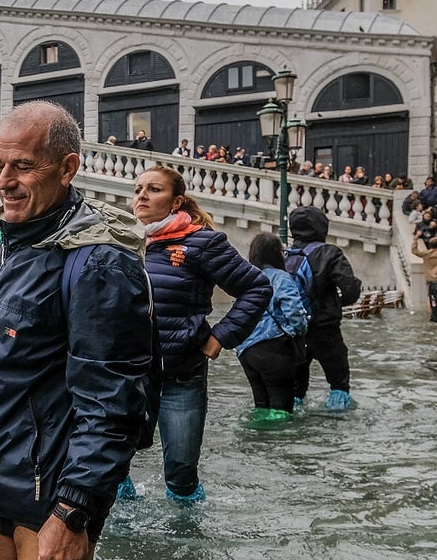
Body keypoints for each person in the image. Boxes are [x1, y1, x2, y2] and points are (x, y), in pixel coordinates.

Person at [0, 101, 155, 560]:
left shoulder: (97, 262)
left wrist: (75, 508)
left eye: (22, 166)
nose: (5, 181)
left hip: (50, 488)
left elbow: (114, 398)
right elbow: (9, 349)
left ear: (67, 168)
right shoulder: (11, 241)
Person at [129, 165, 271, 502]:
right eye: (138, 189)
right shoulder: (122, 241)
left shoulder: (202, 243)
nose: (142, 196)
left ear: (176, 202)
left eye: (153, 189)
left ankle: (186, 540)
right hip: (127, 374)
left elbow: (257, 287)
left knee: (180, 473)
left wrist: (220, 337)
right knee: (111, 466)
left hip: (181, 374)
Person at [286, 205, 362, 410]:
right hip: (325, 328)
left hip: (294, 330)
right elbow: (350, 288)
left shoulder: (286, 255)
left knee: (295, 387)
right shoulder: (330, 253)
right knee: (338, 380)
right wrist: (337, 304)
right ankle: (338, 415)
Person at [235, 233, 308, 422]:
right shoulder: (281, 278)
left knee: (261, 404)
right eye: (282, 251)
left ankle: (257, 438)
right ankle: (277, 441)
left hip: (246, 350)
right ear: (275, 253)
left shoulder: (245, 278)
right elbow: (294, 311)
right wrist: (300, 330)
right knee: (281, 406)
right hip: (274, 348)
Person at [412, 233, 437, 322]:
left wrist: (415, 240)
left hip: (430, 279)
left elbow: (415, 251)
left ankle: (431, 315)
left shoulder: (426, 254)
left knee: (430, 297)